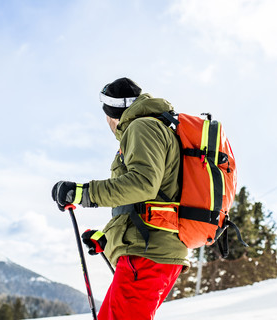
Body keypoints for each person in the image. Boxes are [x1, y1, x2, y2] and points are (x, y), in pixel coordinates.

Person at [52, 77, 189, 320]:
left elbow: (143, 184)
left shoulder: (142, 127)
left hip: (147, 255)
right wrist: (106, 239)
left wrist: (83, 192)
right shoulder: (156, 127)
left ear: (112, 114)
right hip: (150, 251)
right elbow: (152, 200)